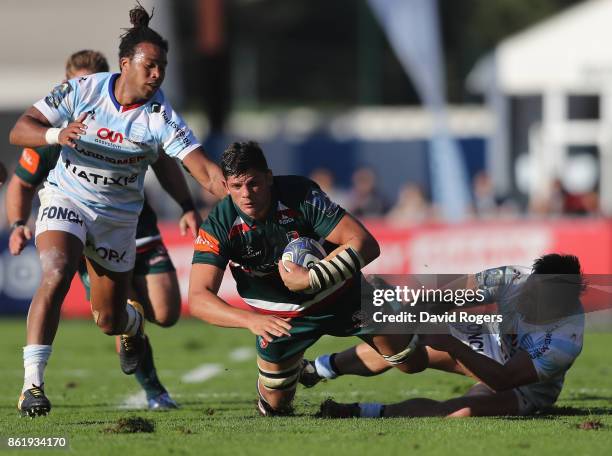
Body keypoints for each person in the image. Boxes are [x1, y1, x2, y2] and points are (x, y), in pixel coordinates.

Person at [9, 5, 225, 417]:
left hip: (118, 221)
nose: (157, 74)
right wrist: (56, 132)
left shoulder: (161, 116)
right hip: (66, 199)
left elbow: (202, 171)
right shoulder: (83, 90)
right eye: (150, 65)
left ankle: (132, 326)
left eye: (162, 66)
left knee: (110, 320)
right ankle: (32, 385)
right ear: (125, 64)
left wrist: (236, 193)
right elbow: (20, 128)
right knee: (55, 272)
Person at [187, 141, 420, 417]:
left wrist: (312, 278)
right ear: (226, 186)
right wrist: (251, 320)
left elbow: (366, 244)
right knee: (275, 407)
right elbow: (198, 298)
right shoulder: (219, 224)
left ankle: (321, 367)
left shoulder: (299, 193)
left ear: (269, 177)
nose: (246, 194)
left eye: (254, 184)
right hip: (280, 317)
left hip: (339, 293)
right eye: (237, 187)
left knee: (409, 359)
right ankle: (295, 375)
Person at [304, 254, 585, 418]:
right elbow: (441, 300)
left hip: (522, 386)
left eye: (536, 298)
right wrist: (396, 303)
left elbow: (503, 380)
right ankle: (315, 369)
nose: (525, 297)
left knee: (461, 413)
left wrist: (451, 346)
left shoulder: (561, 341)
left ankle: (358, 412)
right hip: (492, 338)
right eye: (530, 289)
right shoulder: (512, 278)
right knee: (409, 340)